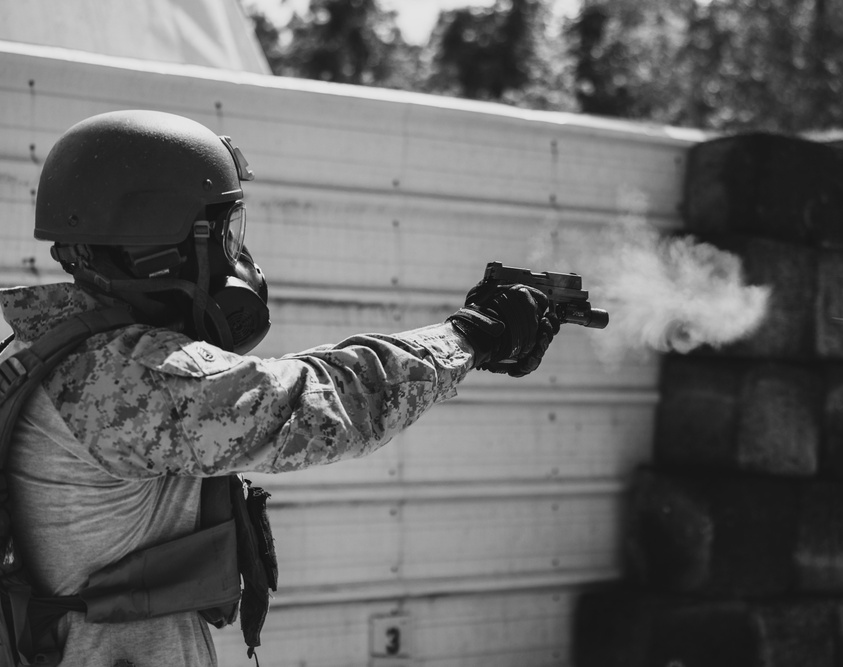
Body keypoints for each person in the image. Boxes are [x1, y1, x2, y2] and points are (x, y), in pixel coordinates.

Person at [0, 110, 559, 666]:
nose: (237, 258)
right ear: (158, 243)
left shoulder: (48, 352)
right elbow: (324, 402)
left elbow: (280, 382)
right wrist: (469, 337)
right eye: (222, 234)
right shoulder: (126, 375)